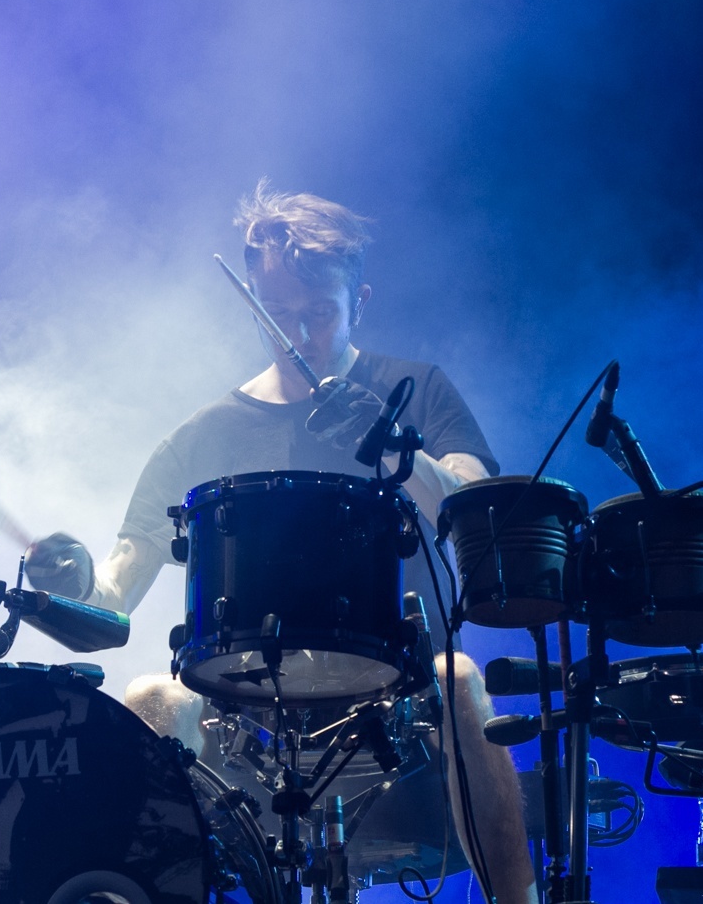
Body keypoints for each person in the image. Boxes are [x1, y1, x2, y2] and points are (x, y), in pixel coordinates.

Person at [29, 182, 535, 904]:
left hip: (395, 687)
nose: (301, 336)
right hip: (244, 696)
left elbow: (469, 511)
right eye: (282, 316)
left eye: (320, 314)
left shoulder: (414, 389)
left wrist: (396, 448)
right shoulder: (202, 434)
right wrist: (72, 585)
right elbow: (116, 589)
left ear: (360, 300)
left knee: (459, 676)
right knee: (148, 695)